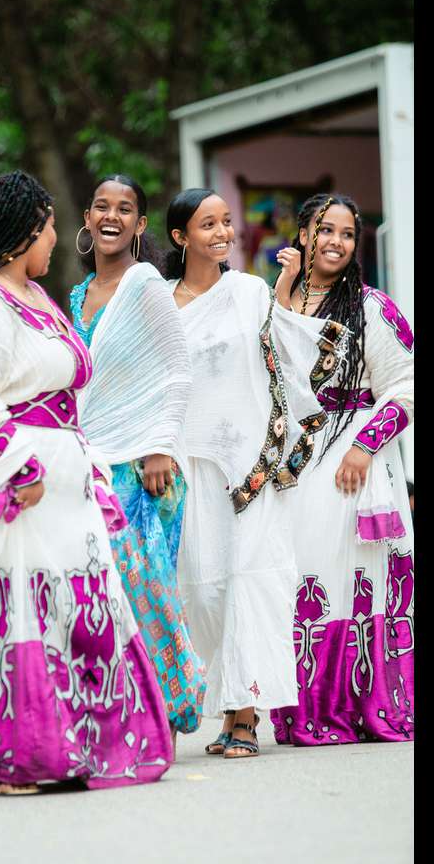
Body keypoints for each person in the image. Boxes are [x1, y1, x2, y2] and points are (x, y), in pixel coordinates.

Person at [0, 170, 174, 796]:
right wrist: (18, 465)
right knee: (17, 613)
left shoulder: (37, 298)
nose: (57, 236)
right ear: (26, 231)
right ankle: (17, 759)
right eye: (50, 225)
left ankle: (80, 747)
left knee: (73, 613)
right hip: (14, 487)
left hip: (62, 483)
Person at [163, 187, 348, 759]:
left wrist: (287, 289)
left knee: (251, 582)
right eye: (208, 224)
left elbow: (286, 346)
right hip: (191, 464)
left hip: (252, 463)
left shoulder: (247, 292)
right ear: (179, 236)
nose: (223, 233)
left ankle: (246, 715)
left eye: (226, 223)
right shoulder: (162, 304)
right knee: (203, 586)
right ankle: (221, 705)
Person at [267, 193, 415, 745]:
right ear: (303, 235)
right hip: (295, 463)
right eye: (325, 230)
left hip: (356, 467)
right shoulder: (276, 302)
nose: (336, 241)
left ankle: (367, 706)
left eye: (348, 234)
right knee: (303, 573)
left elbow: (406, 386)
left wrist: (365, 445)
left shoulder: (371, 307)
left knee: (353, 575)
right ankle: (306, 711)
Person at [68, 174, 205, 742]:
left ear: (141, 225)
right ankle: (122, 711)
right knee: (104, 593)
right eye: (101, 205)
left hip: (146, 470)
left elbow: (177, 370)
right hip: (92, 465)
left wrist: (159, 448)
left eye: (125, 209)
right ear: (87, 216)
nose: (112, 216)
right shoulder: (76, 297)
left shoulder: (146, 283)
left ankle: (174, 703)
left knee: (147, 592)